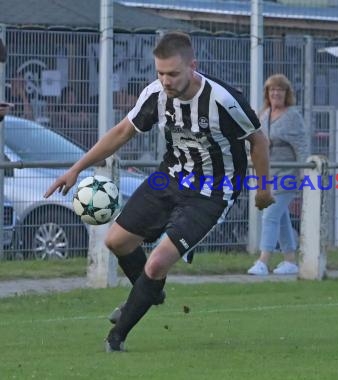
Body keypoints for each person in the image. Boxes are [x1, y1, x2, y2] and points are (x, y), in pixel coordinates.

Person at [44, 31, 275, 352]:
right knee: (117, 241)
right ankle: (151, 292)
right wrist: (76, 168)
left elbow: (259, 140)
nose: (165, 80)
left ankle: (116, 338)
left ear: (193, 66)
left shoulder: (222, 99)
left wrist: (262, 188)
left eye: (173, 73)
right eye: (160, 73)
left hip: (213, 191)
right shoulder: (155, 94)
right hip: (169, 177)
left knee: (155, 264)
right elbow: (123, 131)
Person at [247, 74, 309, 276]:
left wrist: (304, 173)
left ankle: (263, 260)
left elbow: (302, 145)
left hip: (287, 174)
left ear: (286, 93)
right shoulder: (263, 114)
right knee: (281, 217)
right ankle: (290, 260)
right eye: (272, 90)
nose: (276, 93)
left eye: (280, 90)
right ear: (267, 93)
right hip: (267, 174)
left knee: (270, 215)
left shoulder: (292, 116)